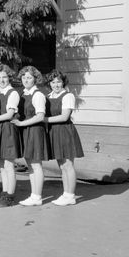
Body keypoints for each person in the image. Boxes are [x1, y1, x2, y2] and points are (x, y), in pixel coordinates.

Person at [11, 65, 51, 206]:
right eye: (24, 77)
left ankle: (37, 196)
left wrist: (21, 124)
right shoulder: (23, 94)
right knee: (30, 164)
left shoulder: (38, 95)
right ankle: (34, 195)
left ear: (35, 79)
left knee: (36, 164)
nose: (26, 80)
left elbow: (40, 116)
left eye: (29, 77)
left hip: (34, 131)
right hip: (26, 131)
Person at [44, 69, 84, 206]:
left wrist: (44, 120)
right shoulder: (49, 96)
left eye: (59, 82)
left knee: (68, 164)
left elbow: (64, 116)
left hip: (65, 131)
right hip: (54, 132)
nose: (56, 85)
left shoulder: (67, 96)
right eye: (53, 82)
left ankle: (71, 196)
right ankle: (66, 194)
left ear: (63, 82)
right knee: (61, 165)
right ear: (49, 83)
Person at [0, 64, 22, 207]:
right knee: (1, 164)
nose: (1, 80)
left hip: (7, 128)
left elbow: (9, 114)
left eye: (4, 77)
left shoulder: (12, 93)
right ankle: (4, 193)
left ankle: (10, 196)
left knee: (8, 164)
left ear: (9, 78)